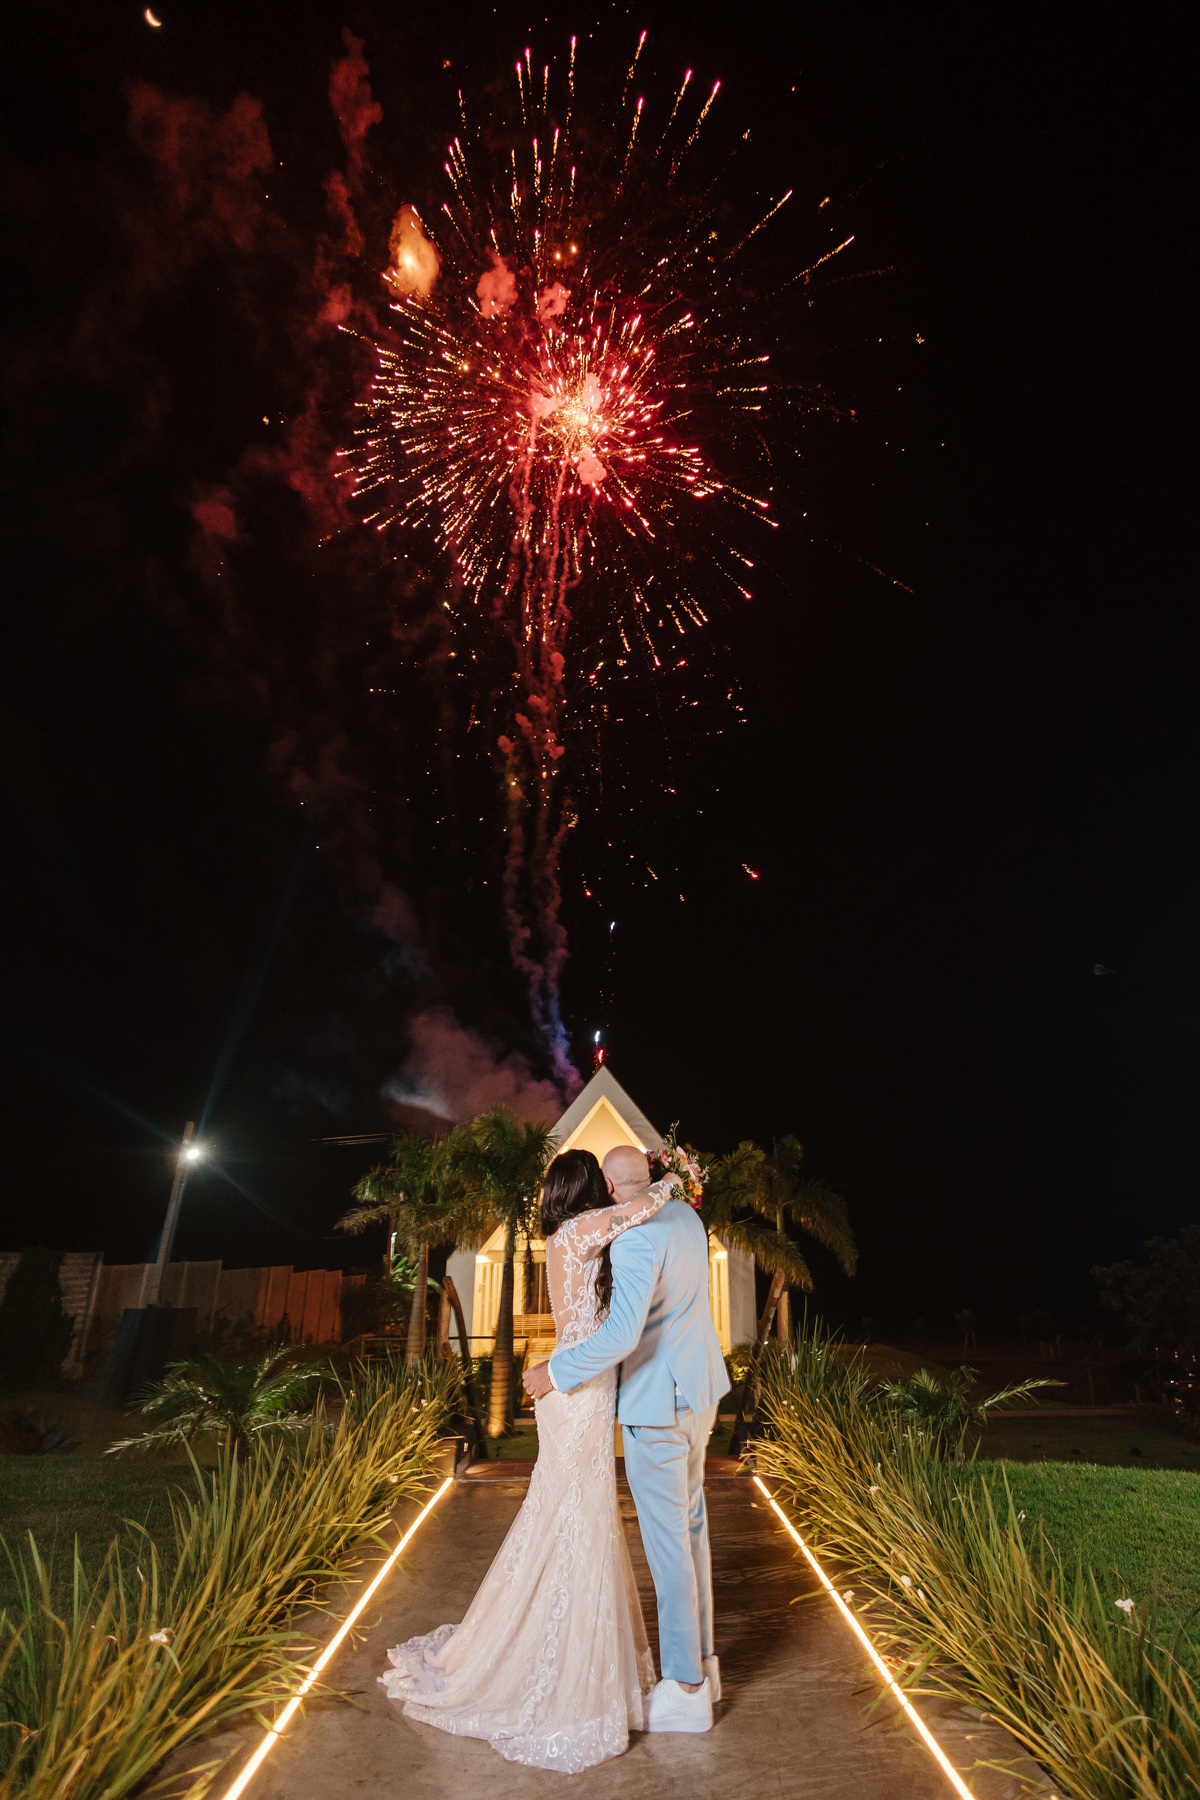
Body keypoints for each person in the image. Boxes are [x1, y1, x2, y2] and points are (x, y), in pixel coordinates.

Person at [379, 1146, 674, 1772]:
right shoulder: (584, 1229)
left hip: (577, 1390)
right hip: (578, 1392)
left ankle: (560, 1647)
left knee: (567, 1516)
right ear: (586, 1188)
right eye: (598, 1182)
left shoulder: (566, 1235)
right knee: (578, 1517)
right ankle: (555, 1671)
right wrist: (674, 1175)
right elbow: (645, 1205)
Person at [524, 1143, 730, 1735]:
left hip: (658, 1404)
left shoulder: (635, 1238)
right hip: (699, 1389)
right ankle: (704, 1665)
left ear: (611, 1192)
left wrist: (555, 1373)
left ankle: (687, 1686)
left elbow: (619, 1337)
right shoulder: (687, 1216)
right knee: (691, 1534)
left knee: (669, 1548)